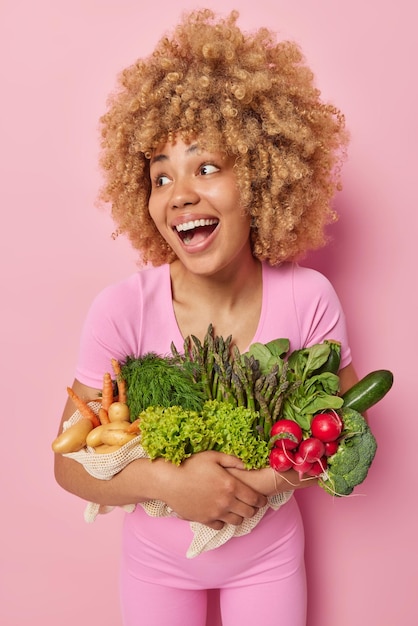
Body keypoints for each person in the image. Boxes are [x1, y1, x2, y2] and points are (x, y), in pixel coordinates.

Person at [54, 9, 358, 626]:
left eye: (207, 166)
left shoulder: (310, 299)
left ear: (263, 175)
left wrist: (267, 482)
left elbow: (343, 429)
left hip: (268, 559)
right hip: (154, 567)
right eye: (160, 176)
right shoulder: (121, 310)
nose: (180, 192)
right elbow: (67, 463)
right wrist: (168, 484)